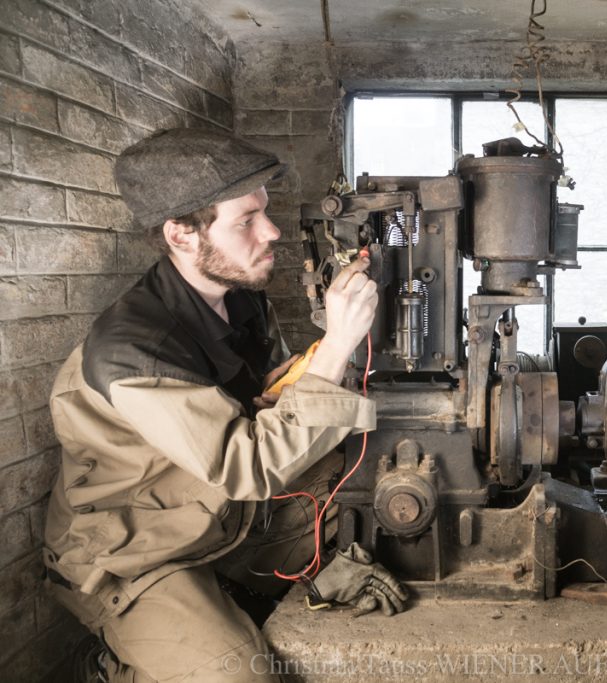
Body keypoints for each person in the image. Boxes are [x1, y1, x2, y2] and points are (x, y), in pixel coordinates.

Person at [42, 128, 406, 682]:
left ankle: (253, 579)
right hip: (136, 551)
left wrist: (288, 384)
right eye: (246, 220)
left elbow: (264, 410)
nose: (273, 231)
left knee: (371, 478)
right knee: (241, 674)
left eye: (265, 211)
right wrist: (335, 347)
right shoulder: (134, 351)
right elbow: (249, 466)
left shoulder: (243, 305)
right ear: (181, 234)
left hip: (218, 514)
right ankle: (120, 666)